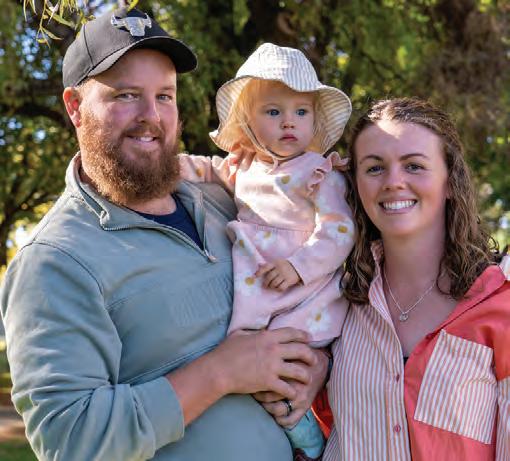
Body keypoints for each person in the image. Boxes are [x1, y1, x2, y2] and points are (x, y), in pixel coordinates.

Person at [0, 8, 330, 461]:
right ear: (74, 107)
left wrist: (316, 367)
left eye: (165, 96)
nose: (151, 115)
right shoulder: (54, 261)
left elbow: (316, 288)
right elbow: (70, 439)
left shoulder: (225, 203)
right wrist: (220, 373)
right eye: (126, 95)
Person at [178, 42, 354, 460]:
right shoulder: (243, 167)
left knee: (285, 367)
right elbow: (205, 169)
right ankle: (289, 431)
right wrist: (167, 165)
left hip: (301, 292)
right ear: (249, 121)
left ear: (314, 120)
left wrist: (298, 265)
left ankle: (307, 436)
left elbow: (339, 230)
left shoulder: (318, 172)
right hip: (258, 287)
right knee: (252, 365)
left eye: (301, 112)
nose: (289, 122)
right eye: (273, 112)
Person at [319, 97, 510, 460]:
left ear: (450, 181)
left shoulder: (501, 302)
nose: (393, 182)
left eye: (414, 166)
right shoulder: (336, 302)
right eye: (375, 168)